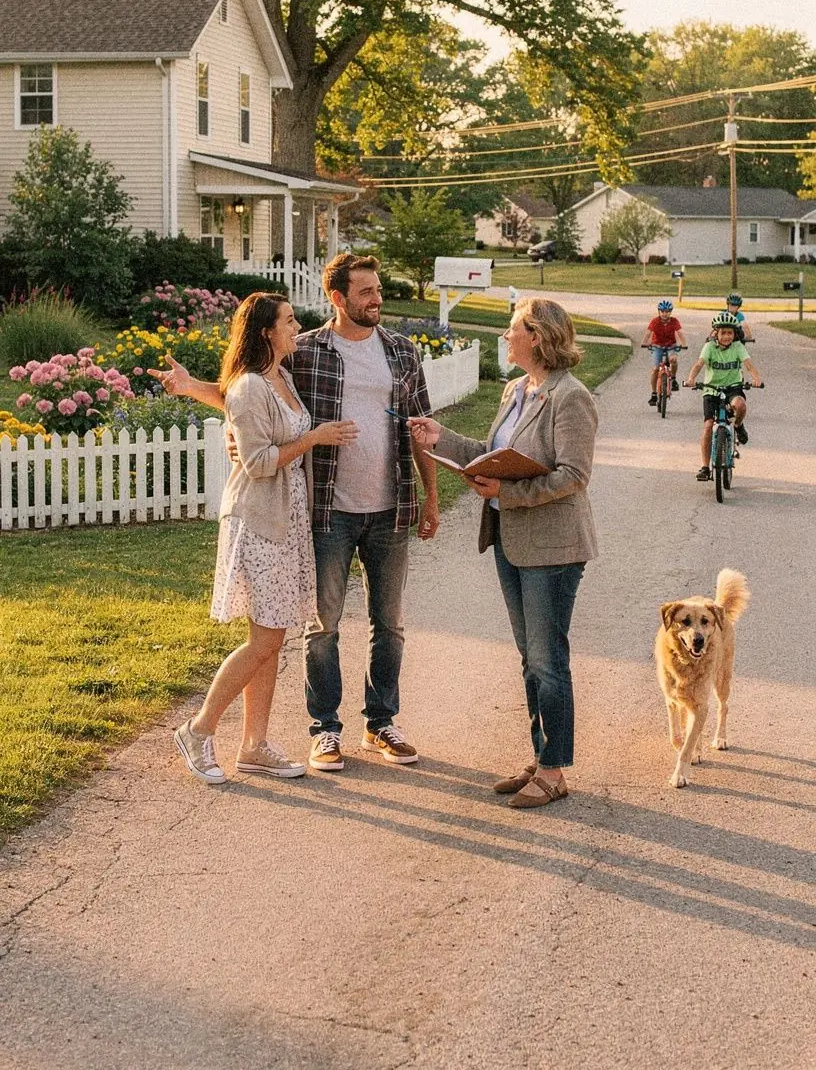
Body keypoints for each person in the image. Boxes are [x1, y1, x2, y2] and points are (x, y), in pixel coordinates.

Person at [151, 254, 439, 774]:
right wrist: (213, 410)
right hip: (322, 511)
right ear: (339, 297)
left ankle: (376, 724)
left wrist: (432, 496)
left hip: (390, 505)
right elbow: (245, 397)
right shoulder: (304, 354)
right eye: (367, 291)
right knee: (317, 626)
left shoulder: (400, 351)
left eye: (378, 290)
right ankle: (324, 730)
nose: (376, 299)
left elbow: (422, 426)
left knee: (386, 625)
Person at [409, 297, 598, 810]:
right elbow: (496, 454)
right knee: (529, 658)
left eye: (513, 329)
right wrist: (441, 436)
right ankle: (542, 757)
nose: (506, 336)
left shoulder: (569, 396)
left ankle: (556, 769)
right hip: (511, 541)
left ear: (536, 336)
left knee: (548, 660)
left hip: (554, 547)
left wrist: (505, 494)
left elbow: (574, 476)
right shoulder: (518, 389)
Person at [172, 292, 358, 785]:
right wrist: (314, 439)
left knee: (273, 639)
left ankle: (253, 746)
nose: (298, 326)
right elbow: (256, 463)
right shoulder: (254, 386)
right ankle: (198, 729)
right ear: (265, 332)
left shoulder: (281, 378)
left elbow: (233, 401)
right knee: (266, 638)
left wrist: (193, 387)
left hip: (287, 518)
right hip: (259, 520)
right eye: (290, 320)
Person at [685, 311, 763, 481]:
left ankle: (738, 426)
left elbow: (749, 365)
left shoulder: (738, 347)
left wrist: (756, 378)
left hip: (732, 388)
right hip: (711, 390)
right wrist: (691, 378)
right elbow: (699, 364)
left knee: (740, 405)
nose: (727, 336)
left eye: (730, 333)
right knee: (707, 426)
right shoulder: (709, 347)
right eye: (723, 333)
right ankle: (705, 467)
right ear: (716, 333)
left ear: (735, 334)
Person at [640, 299, 687, 400]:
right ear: (659, 312)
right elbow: (648, 333)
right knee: (655, 369)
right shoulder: (655, 321)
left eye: (667, 312)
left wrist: (684, 344)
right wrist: (644, 342)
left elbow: (680, 333)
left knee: (673, 360)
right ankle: (653, 393)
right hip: (657, 346)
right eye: (662, 311)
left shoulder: (674, 321)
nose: (665, 314)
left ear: (670, 312)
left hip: (671, 346)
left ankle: (673, 378)